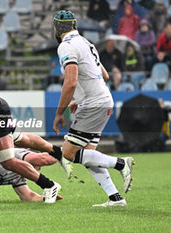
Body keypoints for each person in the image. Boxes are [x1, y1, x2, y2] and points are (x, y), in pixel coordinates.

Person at [52, 10, 134, 207]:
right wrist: (79, 99)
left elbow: (70, 83)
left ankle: (121, 163)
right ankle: (115, 198)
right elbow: (104, 76)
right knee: (90, 155)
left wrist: (59, 112)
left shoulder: (66, 46)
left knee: (68, 153)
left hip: (94, 104)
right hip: (102, 100)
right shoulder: (86, 43)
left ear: (56, 28)